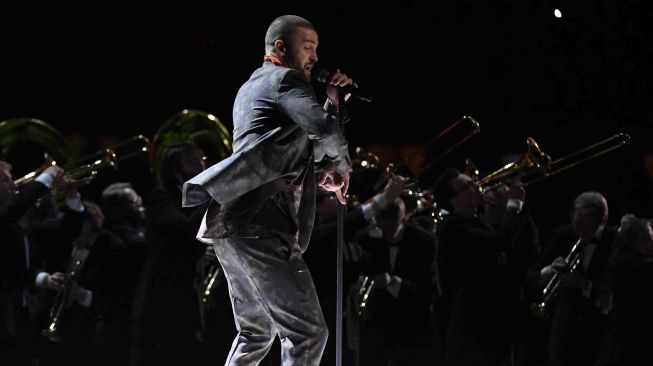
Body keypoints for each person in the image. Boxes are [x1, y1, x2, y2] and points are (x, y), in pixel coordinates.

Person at [183, 14, 353, 365]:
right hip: (261, 225)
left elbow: (299, 144)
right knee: (308, 333)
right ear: (281, 47)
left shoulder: (253, 85)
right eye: (308, 47)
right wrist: (342, 165)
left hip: (232, 222)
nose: (316, 58)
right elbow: (322, 130)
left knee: (255, 333)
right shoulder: (286, 78)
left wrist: (333, 105)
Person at [531, 191, 616, 366]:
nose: (579, 232)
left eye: (585, 227)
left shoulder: (616, 241)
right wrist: (549, 271)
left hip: (599, 331)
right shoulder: (563, 234)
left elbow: (616, 293)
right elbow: (531, 275)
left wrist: (583, 285)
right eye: (576, 224)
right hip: (564, 331)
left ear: (602, 221)